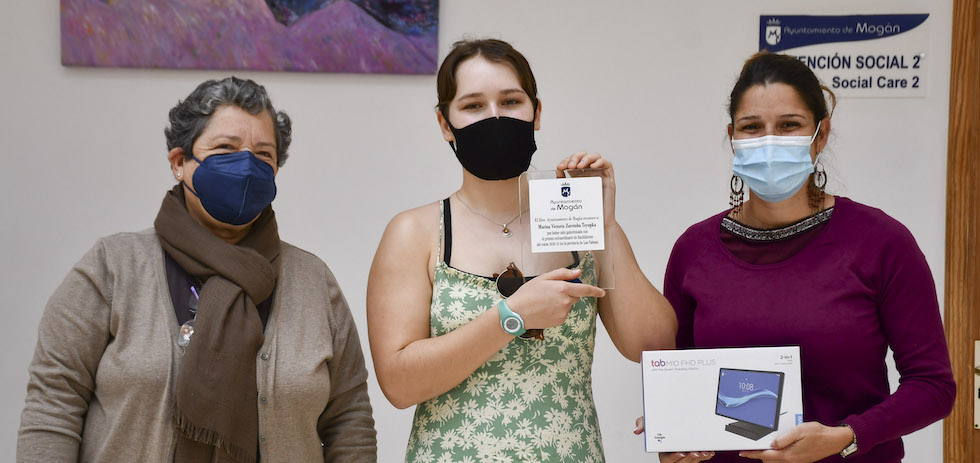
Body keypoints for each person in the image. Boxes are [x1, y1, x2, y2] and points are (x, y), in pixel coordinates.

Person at [17, 77, 377, 462]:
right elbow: (53, 406)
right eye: (226, 148)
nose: (246, 166)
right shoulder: (112, 268)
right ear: (179, 162)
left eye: (263, 155)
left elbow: (349, 420)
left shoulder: (313, 282)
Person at [367, 38, 677, 462]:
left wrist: (603, 228)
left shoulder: (579, 221)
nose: (494, 116)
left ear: (537, 112)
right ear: (444, 123)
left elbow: (655, 346)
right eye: (473, 105)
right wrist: (511, 317)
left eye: (511, 101)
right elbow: (399, 386)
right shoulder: (415, 233)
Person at [637, 52, 955, 463]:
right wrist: (674, 433)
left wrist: (847, 436)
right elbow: (680, 381)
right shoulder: (693, 251)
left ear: (820, 136)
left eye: (789, 125)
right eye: (753, 128)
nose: (770, 140)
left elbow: (933, 387)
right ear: (732, 138)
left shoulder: (882, 243)